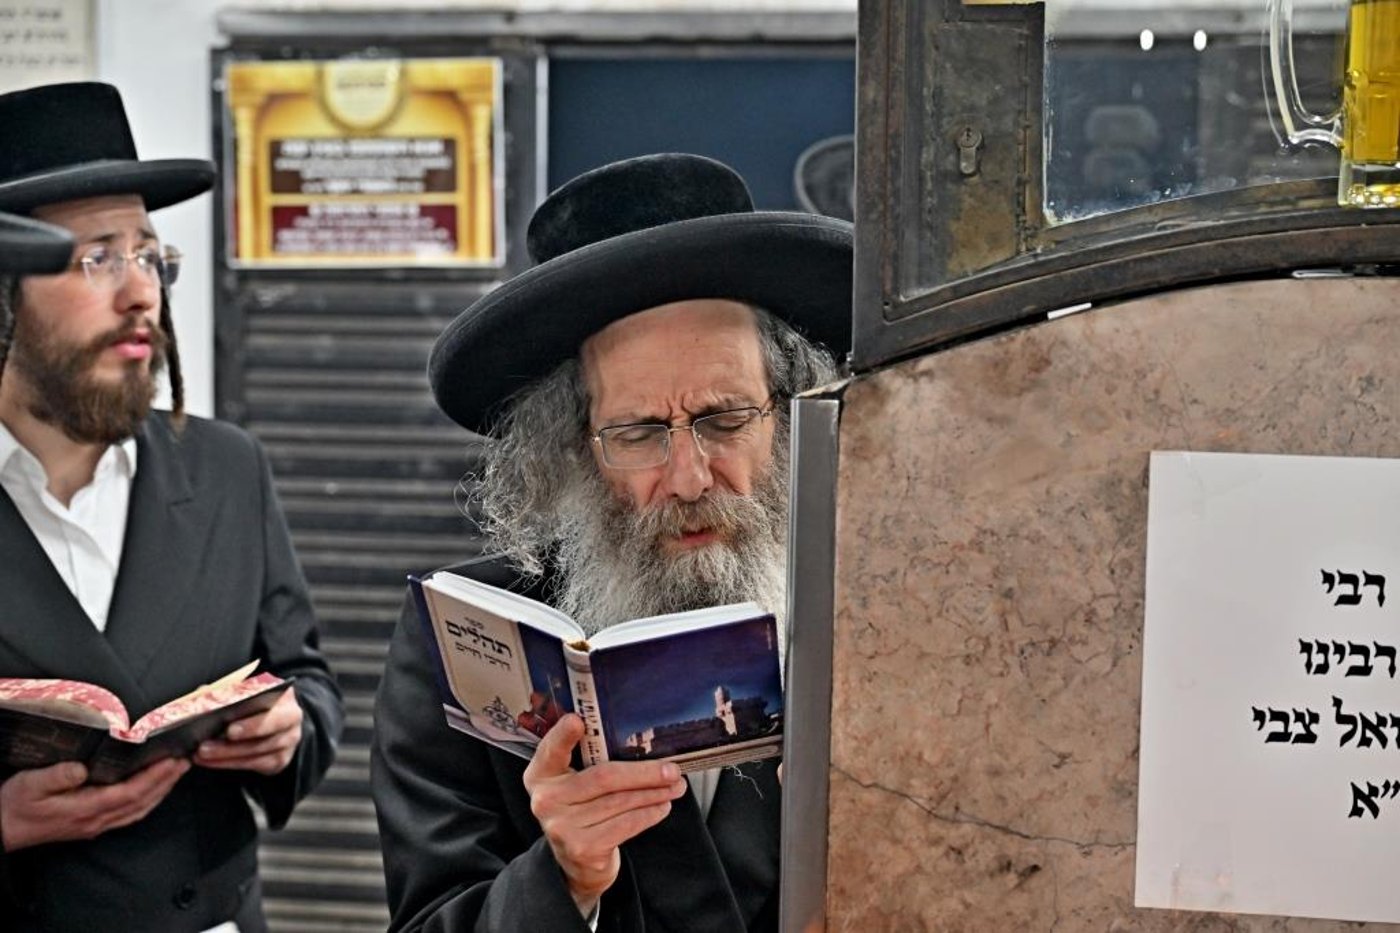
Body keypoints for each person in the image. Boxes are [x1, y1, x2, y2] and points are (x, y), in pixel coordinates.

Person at [371, 153, 852, 931]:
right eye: (637, 433)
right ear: (573, 447)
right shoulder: (463, 643)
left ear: (791, 411)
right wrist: (565, 877)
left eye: (726, 419)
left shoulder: (875, 619)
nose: (691, 476)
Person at [0, 82, 343, 932]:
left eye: (149, 255)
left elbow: (307, 678)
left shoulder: (228, 469)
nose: (140, 294)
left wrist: (291, 730)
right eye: (96, 258)